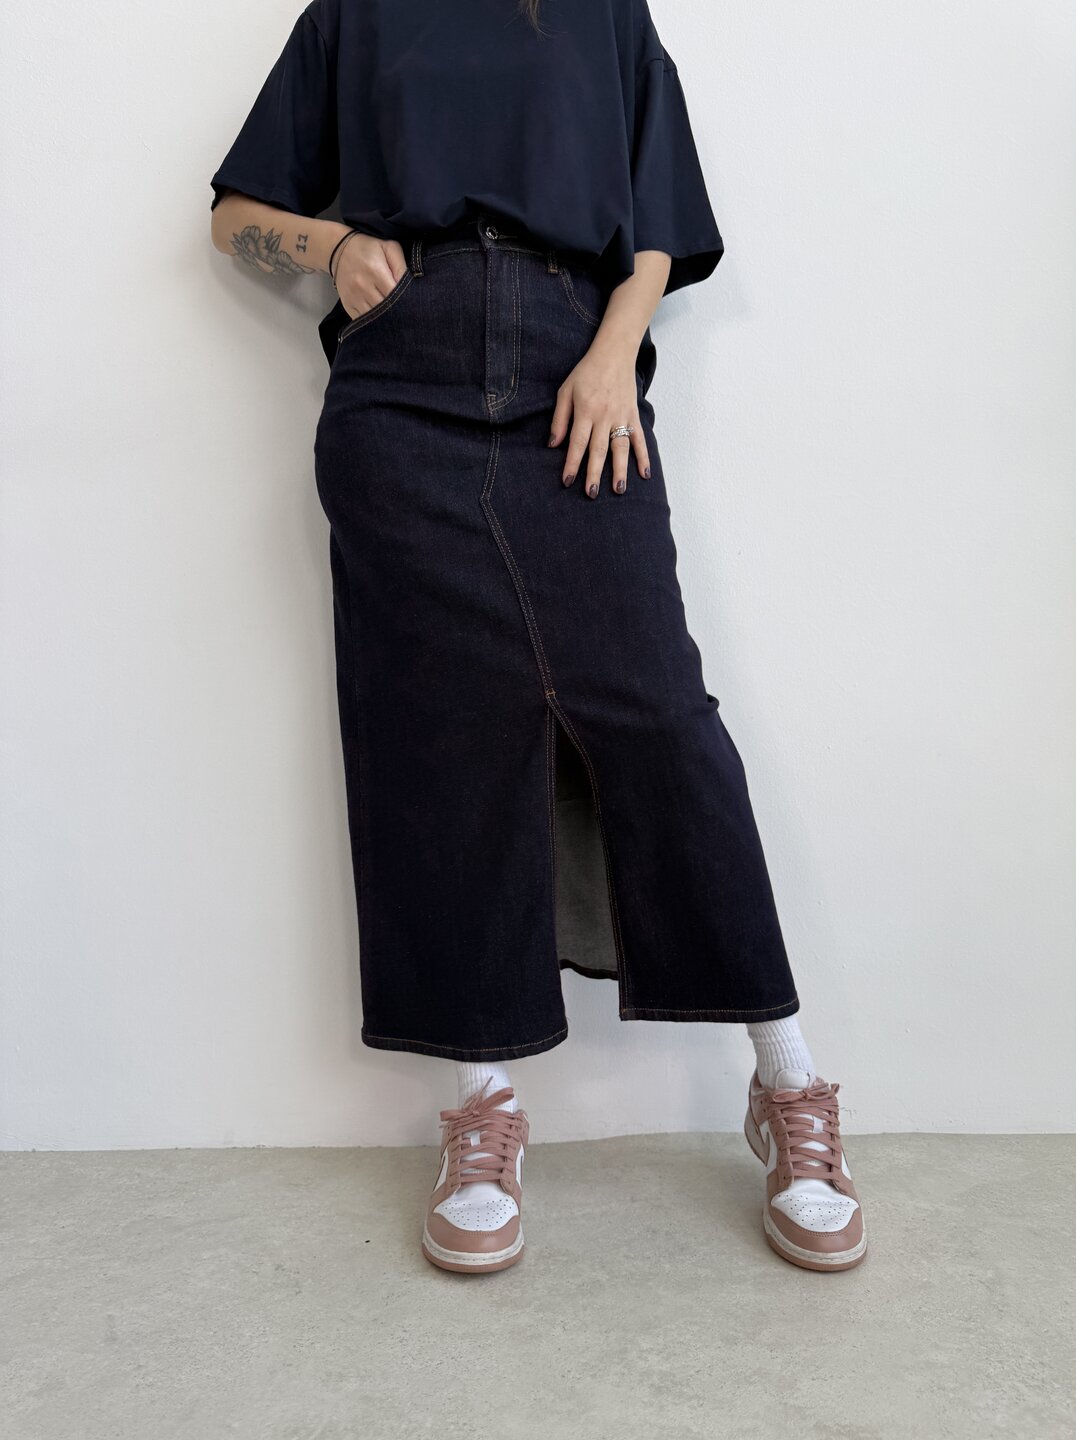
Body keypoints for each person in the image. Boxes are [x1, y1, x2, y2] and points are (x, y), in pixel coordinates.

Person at [208, 0, 866, 1276]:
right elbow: (234, 216)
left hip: (579, 378)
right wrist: (333, 244)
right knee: (439, 736)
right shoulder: (354, 14)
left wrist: (617, 351)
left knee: (661, 719)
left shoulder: (604, 11)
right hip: (400, 391)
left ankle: (787, 1082)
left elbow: (659, 224)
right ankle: (484, 1106)